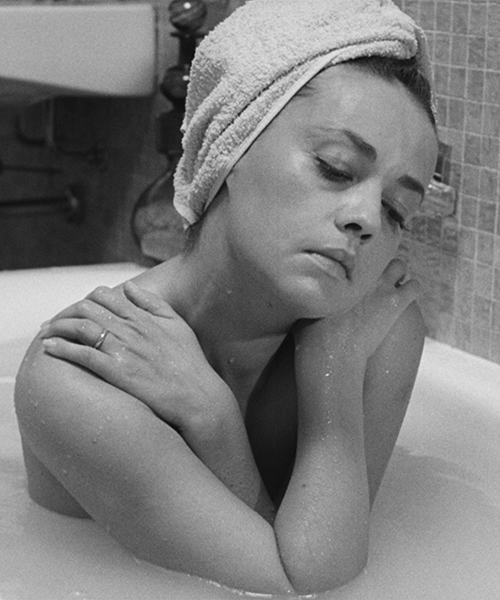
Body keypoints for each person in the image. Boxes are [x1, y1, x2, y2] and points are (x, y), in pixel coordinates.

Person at [14, 0, 438, 594]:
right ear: (230, 144)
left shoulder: (369, 331)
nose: (368, 218)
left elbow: (317, 574)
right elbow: (295, 582)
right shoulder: (81, 373)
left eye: (397, 209)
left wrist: (324, 372)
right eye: (336, 168)